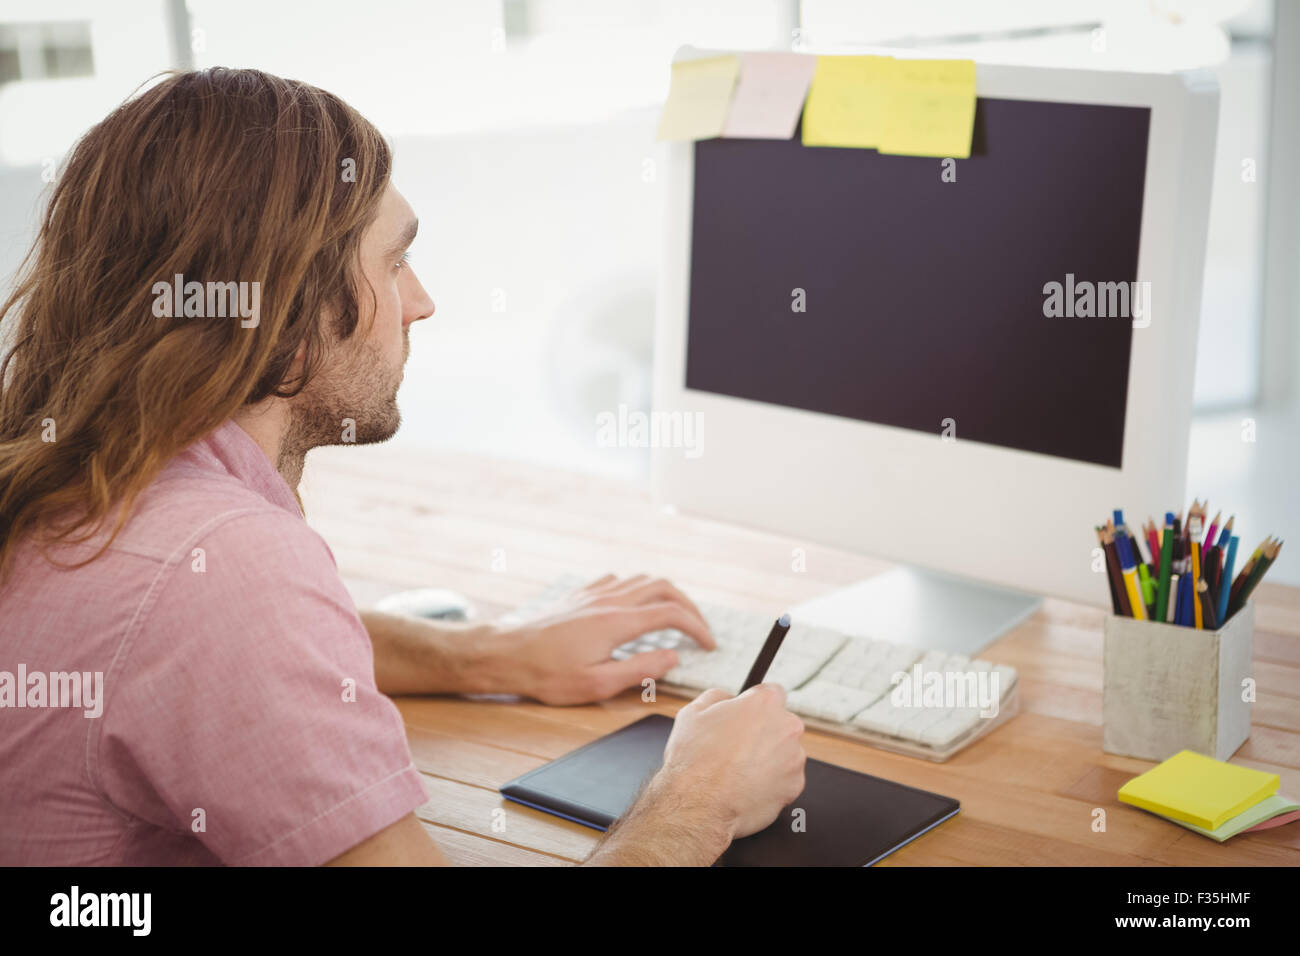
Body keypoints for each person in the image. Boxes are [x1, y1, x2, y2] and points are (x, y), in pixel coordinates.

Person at [0, 67, 805, 866]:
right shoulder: (222, 571)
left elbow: (190, 654)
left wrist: (489, 653)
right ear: (286, 304)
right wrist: (704, 792)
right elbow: (213, 617)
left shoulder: (72, 483)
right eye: (393, 262)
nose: (420, 301)